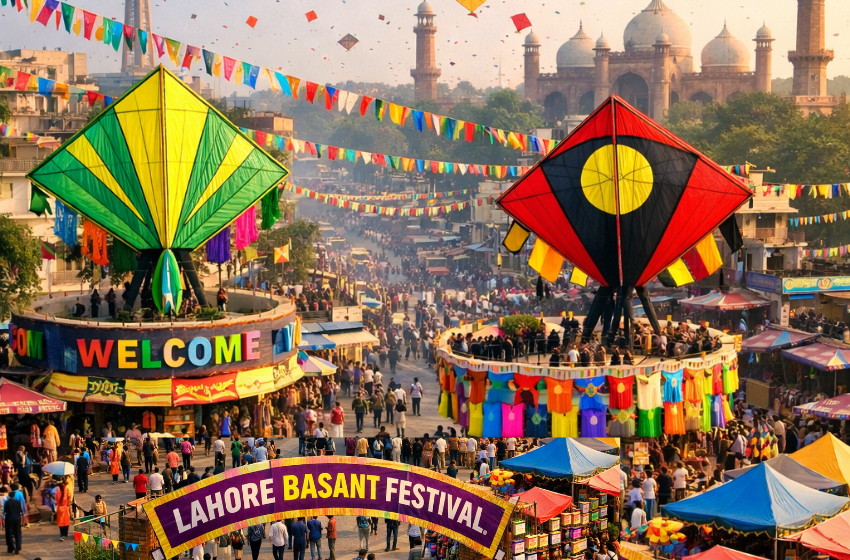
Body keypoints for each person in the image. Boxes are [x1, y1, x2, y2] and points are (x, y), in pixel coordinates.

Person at [3, 485, 23, 555]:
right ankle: (18, 546)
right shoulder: (18, 502)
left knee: (9, 533)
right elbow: (20, 510)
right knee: (17, 532)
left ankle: (11, 547)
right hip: (17, 518)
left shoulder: (7, 502)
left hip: (9, 518)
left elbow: (5, 511)